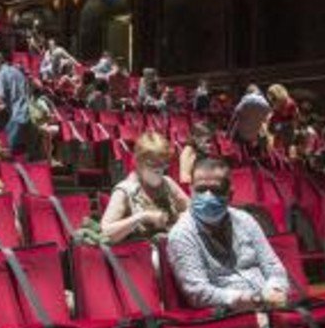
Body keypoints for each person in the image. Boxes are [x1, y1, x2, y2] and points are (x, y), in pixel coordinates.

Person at [167, 156, 289, 310]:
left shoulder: (245, 220)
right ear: (191, 190)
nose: (208, 196)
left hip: (271, 304)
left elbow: (272, 266)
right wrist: (253, 299)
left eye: (216, 190)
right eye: (201, 189)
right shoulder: (182, 234)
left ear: (230, 193)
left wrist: (276, 289)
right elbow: (198, 293)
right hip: (230, 316)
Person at [102, 132, 190, 244]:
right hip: (141, 254)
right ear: (138, 162)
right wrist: (142, 217)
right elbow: (106, 233)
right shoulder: (124, 190)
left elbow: (192, 210)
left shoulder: (167, 183)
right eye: (153, 164)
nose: (159, 169)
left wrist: (182, 218)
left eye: (163, 164)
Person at [0, 51, 32, 159]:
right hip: (28, 115)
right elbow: (14, 98)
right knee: (22, 151)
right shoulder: (16, 71)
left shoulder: (0, 74)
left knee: (6, 152)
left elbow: (0, 99)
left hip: (17, 116)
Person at [231, 84, 272, 154]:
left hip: (243, 133)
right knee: (263, 130)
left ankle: (238, 153)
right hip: (256, 133)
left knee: (235, 134)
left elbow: (235, 116)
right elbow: (268, 119)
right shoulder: (264, 102)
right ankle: (263, 153)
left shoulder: (244, 101)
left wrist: (230, 133)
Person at [178, 122, 215, 187]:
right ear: (196, 139)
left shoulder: (201, 152)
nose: (210, 145)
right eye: (207, 141)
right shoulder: (187, 154)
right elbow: (184, 180)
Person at [265, 84, 298, 149]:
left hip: (284, 132)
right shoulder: (278, 103)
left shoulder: (289, 104)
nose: (271, 99)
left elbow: (294, 118)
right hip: (277, 131)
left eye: (273, 97)